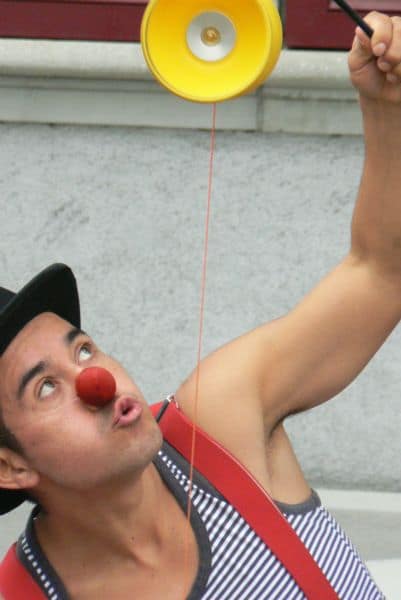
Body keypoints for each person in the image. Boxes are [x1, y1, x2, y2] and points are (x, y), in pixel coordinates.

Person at [0, 10, 401, 600]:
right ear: (9, 467)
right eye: (46, 388)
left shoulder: (220, 420)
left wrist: (386, 107)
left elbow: (380, 270)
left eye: (82, 349)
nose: (95, 382)